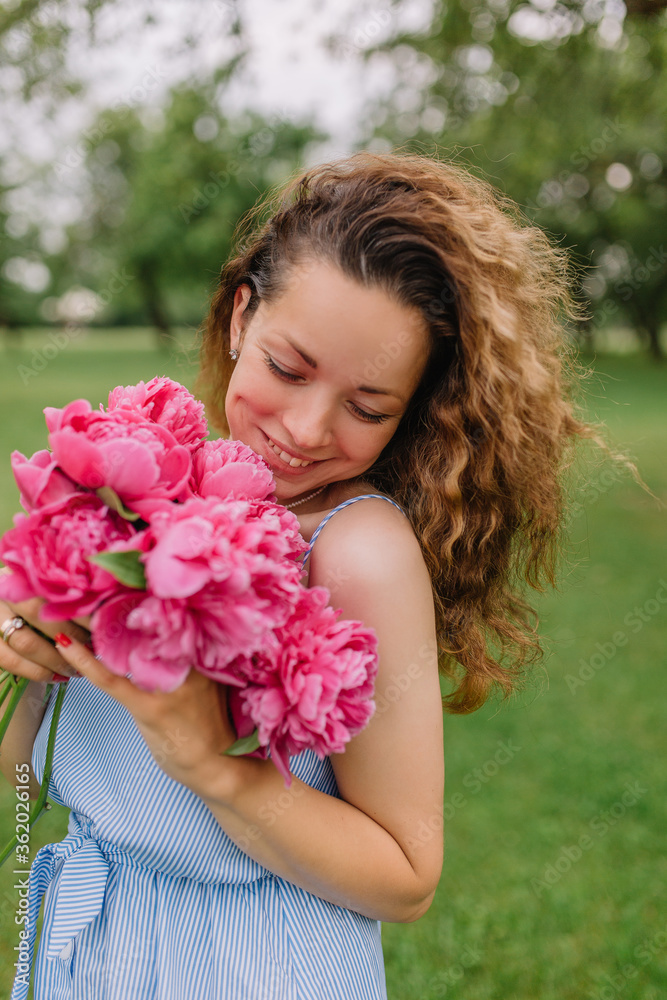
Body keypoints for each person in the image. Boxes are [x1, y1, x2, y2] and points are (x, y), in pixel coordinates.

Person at [0, 149, 628, 999]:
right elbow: (36, 782)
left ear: (411, 409)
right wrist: (27, 661)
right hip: (96, 937)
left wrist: (215, 764)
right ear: (239, 317)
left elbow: (405, 878)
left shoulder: (357, 552)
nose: (303, 429)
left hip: (246, 963)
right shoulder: (150, 489)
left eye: (367, 407)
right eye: (287, 369)